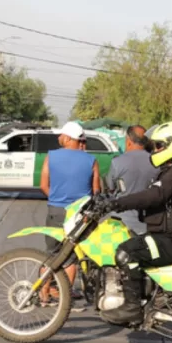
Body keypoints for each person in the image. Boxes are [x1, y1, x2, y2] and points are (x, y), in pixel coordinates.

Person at [97, 120, 172, 325]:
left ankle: (132, 308)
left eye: (159, 145)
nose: (154, 150)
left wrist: (116, 203)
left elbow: (155, 195)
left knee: (126, 252)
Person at [39, 121, 100, 305]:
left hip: (56, 211)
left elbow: (43, 185)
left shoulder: (51, 156)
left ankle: (44, 294)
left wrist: (57, 198)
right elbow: (96, 191)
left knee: (51, 253)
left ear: (66, 138)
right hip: (80, 216)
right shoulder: (91, 160)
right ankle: (65, 297)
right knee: (71, 257)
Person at [105, 125, 159, 234]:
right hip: (147, 223)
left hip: (120, 223)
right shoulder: (156, 162)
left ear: (128, 141)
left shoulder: (117, 162)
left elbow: (110, 188)